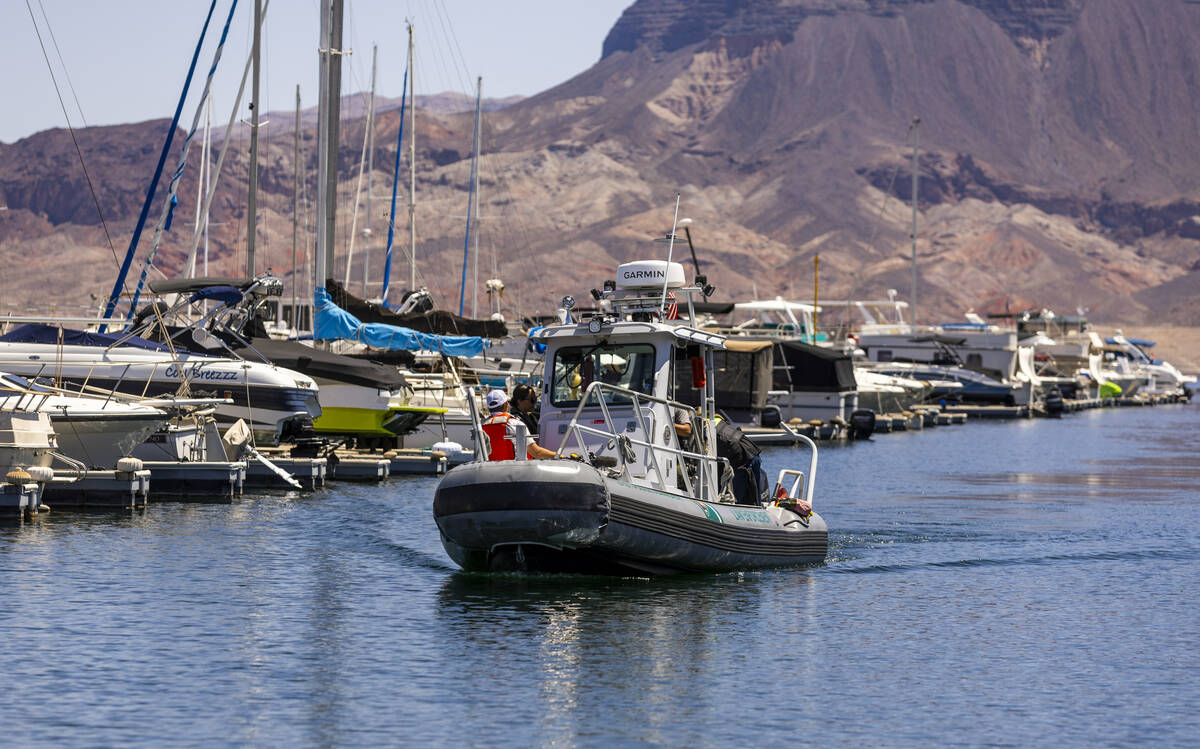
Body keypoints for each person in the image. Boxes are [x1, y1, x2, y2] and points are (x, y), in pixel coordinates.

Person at [481, 389, 556, 461]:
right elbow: (536, 452)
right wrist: (557, 455)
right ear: (506, 404)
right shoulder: (514, 424)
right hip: (514, 470)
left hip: (491, 470)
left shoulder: (482, 426)